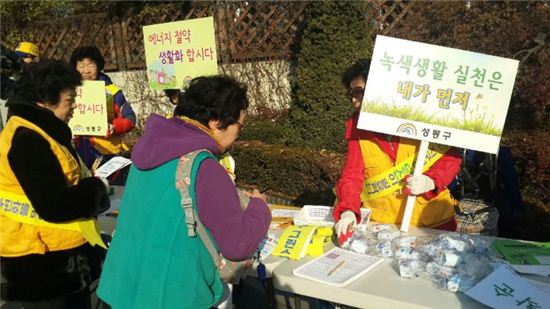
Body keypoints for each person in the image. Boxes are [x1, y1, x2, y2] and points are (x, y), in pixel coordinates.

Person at [97, 75, 271, 308]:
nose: (238, 134)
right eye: (239, 125)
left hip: (123, 287)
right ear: (215, 121)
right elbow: (237, 244)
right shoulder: (203, 165)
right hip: (172, 295)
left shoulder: (147, 150)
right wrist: (260, 208)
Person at [0, 60, 110, 308]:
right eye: (70, 100)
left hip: (55, 258)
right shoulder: (28, 139)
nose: (74, 107)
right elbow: (55, 205)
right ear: (44, 100)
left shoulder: (42, 132)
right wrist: (96, 189)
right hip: (43, 266)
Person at [333, 59, 462, 242]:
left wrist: (431, 180)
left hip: (431, 224)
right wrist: (348, 210)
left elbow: (451, 155)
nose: (354, 100)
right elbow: (352, 174)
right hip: (383, 226)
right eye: (351, 94)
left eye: (359, 92)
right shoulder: (356, 126)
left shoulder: (422, 113)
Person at [69, 45, 136, 169]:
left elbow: (130, 118)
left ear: (98, 66)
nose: (86, 71)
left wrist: (114, 127)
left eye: (90, 65)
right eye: (81, 66)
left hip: (107, 154)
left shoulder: (112, 92)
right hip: (76, 153)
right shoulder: (68, 92)